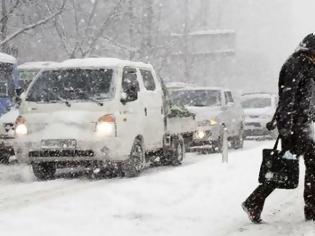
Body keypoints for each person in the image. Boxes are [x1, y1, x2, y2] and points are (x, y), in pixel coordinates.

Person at [242, 33, 315, 223]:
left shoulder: (306, 65)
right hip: (295, 127)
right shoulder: (297, 65)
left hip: (301, 125)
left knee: (287, 168)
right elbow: (288, 98)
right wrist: (287, 129)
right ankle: (311, 209)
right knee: (287, 169)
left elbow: (306, 98)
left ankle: (255, 201)